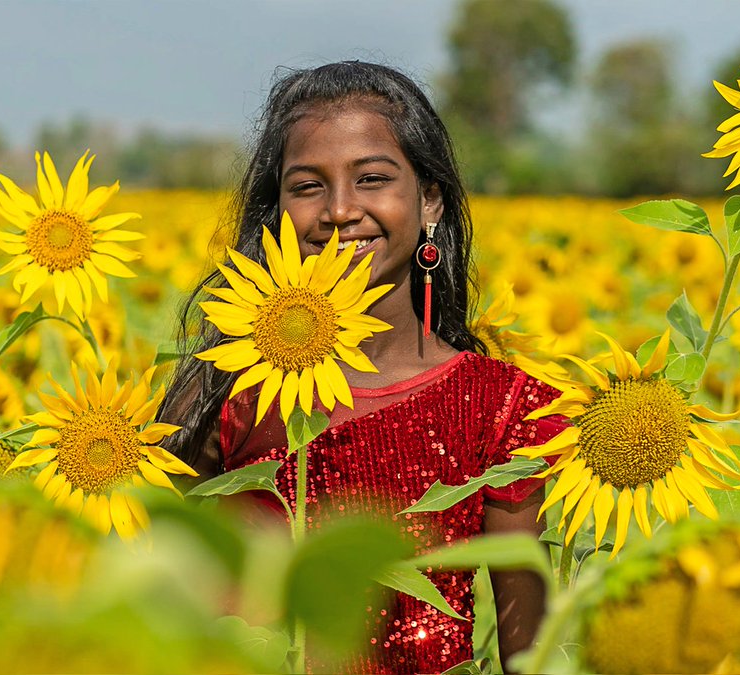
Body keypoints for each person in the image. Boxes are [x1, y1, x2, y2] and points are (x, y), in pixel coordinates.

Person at [160, 61, 566, 674]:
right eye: (306, 186)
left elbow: (527, 658)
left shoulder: (500, 409)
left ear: (430, 200)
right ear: (277, 209)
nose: (340, 210)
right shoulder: (226, 388)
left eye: (372, 178)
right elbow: (150, 604)